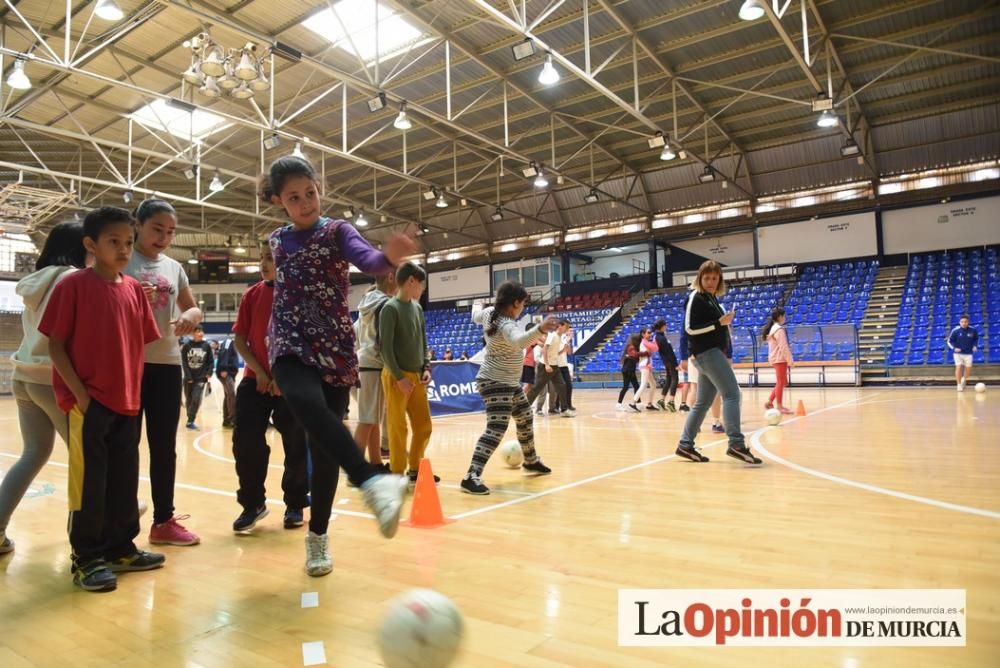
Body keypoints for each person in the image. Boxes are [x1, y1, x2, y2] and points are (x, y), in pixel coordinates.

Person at [261, 155, 410, 577]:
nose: (306, 203)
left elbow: (368, 260)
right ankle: (370, 479)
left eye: (311, 193)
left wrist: (388, 259)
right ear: (278, 201)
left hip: (334, 346)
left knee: (324, 451)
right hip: (288, 340)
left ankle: (318, 536)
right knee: (305, 404)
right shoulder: (277, 240)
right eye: (294, 197)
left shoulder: (337, 230)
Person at [40, 206, 164, 591]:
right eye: (114, 242)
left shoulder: (131, 290)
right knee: (90, 483)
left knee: (124, 480)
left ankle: (120, 548)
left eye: (128, 242)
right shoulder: (72, 286)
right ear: (91, 245)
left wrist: (134, 389)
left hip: (128, 402)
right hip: (90, 403)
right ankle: (86, 557)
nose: (124, 249)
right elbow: (55, 345)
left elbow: (138, 343)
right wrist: (80, 394)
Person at [0, 223, 87, 556]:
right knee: (87, 458)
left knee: (33, 453)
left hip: (23, 377)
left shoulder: (36, 282)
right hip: (53, 379)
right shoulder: (71, 279)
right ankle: (91, 533)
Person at [126, 199, 202, 547]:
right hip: (127, 363)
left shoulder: (174, 267)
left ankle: (163, 521)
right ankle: (122, 520)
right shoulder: (122, 257)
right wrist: (125, 294)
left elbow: (192, 306)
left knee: (163, 446)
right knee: (124, 445)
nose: (165, 237)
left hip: (168, 363)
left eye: (170, 231)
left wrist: (191, 317)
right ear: (138, 224)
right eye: (158, 229)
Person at [230, 244, 310, 533]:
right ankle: (252, 504)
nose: (265, 263)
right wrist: (262, 373)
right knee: (245, 441)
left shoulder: (299, 295)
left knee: (296, 441)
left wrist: (283, 375)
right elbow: (240, 340)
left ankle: (296, 502)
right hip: (256, 380)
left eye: (272, 259)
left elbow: (306, 341)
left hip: (291, 380)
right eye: (262, 258)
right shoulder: (251, 295)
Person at [461, 282, 558, 495]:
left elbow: (475, 315)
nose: (523, 307)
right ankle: (471, 476)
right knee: (496, 428)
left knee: (524, 416)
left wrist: (476, 304)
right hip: (496, 382)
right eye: (523, 303)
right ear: (515, 303)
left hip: (507, 382)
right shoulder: (506, 324)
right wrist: (540, 329)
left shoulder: (489, 313)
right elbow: (519, 342)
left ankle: (531, 461)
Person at [675, 260, 761, 465]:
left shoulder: (711, 298)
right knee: (731, 394)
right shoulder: (695, 297)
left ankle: (685, 445)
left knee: (702, 402)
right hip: (706, 353)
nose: (711, 281)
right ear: (700, 278)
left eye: (714, 278)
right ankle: (736, 444)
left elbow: (716, 329)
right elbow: (689, 329)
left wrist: (723, 325)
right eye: (707, 278)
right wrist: (718, 323)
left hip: (712, 353)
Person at [379, 262, 435, 485]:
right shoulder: (390, 309)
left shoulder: (417, 308)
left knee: (424, 425)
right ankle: (397, 471)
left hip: (417, 376)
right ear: (411, 281)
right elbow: (386, 348)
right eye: (421, 284)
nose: (423, 289)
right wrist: (399, 378)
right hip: (396, 377)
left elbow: (423, 340)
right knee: (397, 426)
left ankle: (415, 466)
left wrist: (426, 367)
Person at [354, 273, 397, 469]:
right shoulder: (386, 305)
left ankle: (376, 463)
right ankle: (354, 468)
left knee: (373, 419)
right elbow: (385, 341)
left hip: (366, 363)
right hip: (372, 364)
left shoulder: (366, 305)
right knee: (366, 420)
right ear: (390, 277)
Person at [527, 321, 573, 417]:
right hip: (545, 366)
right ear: (560, 326)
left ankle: (564, 410)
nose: (567, 329)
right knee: (537, 388)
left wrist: (562, 351)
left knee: (562, 386)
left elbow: (553, 353)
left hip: (555, 366)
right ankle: (524, 408)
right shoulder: (552, 336)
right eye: (566, 327)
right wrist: (547, 365)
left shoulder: (560, 338)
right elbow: (544, 349)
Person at [181, 326, 214, 430]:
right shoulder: (187, 346)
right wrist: (188, 376)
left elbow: (211, 361)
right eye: (198, 331)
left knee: (196, 398)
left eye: (202, 331)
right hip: (188, 378)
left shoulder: (206, 346)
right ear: (192, 333)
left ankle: (190, 421)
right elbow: (184, 362)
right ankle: (189, 419)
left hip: (201, 378)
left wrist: (209, 373)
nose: (201, 333)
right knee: (189, 399)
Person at [762, 307, 794, 414]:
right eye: (784, 316)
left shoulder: (774, 328)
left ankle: (770, 402)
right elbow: (783, 346)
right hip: (779, 359)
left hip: (776, 358)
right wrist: (790, 360)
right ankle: (779, 406)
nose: (785, 318)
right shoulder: (779, 330)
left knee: (782, 382)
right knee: (781, 382)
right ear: (780, 317)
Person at [653, 319, 679, 412]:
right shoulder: (661, 338)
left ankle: (661, 400)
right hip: (670, 361)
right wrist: (675, 363)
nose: (666, 327)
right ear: (662, 326)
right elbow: (669, 352)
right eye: (665, 325)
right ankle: (671, 402)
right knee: (675, 379)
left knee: (668, 379)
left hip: (666, 361)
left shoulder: (659, 336)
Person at [947, 314, 979, 392]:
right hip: (958, 354)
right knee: (958, 367)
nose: (964, 323)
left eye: (965, 322)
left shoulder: (973, 330)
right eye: (962, 322)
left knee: (968, 371)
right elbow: (949, 341)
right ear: (959, 322)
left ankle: (963, 379)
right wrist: (954, 348)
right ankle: (958, 385)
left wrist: (975, 346)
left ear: (968, 322)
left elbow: (976, 339)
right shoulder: (955, 330)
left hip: (968, 353)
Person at [549, 321, 575, 412]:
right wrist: (567, 341)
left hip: (564, 365)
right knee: (561, 387)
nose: (572, 333)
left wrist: (569, 343)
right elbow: (558, 352)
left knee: (569, 386)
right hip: (558, 365)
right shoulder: (559, 337)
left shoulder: (566, 339)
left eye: (573, 332)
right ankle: (556, 406)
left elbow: (569, 352)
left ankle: (568, 405)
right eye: (570, 331)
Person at [216, 336, 240, 428]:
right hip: (226, 372)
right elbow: (224, 353)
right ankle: (232, 419)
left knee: (228, 396)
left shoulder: (232, 344)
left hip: (230, 373)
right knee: (231, 395)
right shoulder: (228, 341)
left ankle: (227, 420)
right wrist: (223, 368)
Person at [616, 333, 642, 412]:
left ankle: (638, 402)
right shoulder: (631, 347)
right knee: (626, 387)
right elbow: (635, 355)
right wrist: (646, 353)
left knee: (636, 386)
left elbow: (636, 358)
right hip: (627, 371)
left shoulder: (634, 347)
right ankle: (619, 404)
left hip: (630, 370)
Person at [637, 326, 659, 410]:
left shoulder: (645, 342)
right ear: (643, 334)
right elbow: (655, 348)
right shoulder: (644, 342)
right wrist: (655, 340)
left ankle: (649, 404)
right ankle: (633, 402)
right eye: (648, 333)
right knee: (643, 384)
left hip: (647, 366)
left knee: (653, 385)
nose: (650, 334)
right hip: (645, 365)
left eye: (651, 333)